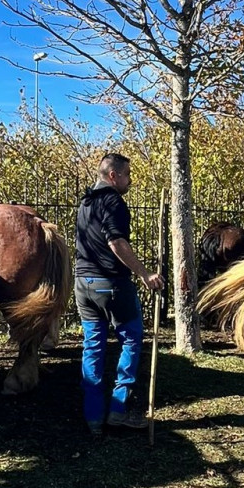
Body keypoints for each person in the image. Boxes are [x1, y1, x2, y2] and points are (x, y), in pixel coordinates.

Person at [74, 153, 164, 435]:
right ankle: (118, 410)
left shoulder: (86, 202)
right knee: (131, 339)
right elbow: (116, 242)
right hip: (111, 283)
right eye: (127, 175)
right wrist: (144, 273)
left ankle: (93, 418)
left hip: (83, 284)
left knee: (93, 346)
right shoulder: (113, 202)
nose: (130, 180)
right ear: (113, 176)